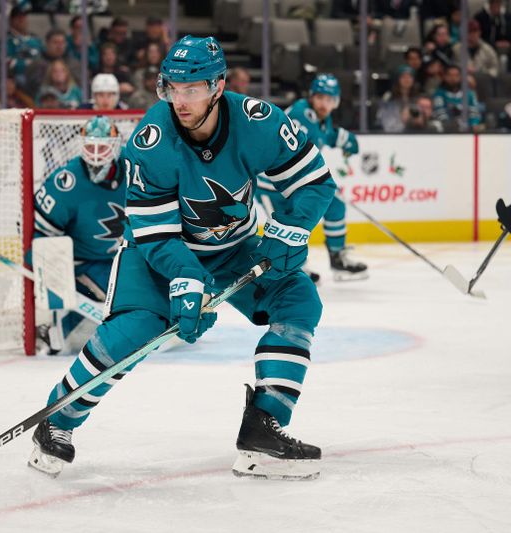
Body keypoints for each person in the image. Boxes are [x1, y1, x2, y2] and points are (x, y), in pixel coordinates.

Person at [28, 35, 333, 481]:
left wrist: (291, 228)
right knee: (134, 332)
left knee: (300, 304)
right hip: (157, 251)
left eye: (191, 89)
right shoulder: (152, 140)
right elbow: (155, 234)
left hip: (235, 247)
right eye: (172, 88)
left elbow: (314, 181)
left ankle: (263, 431)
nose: (180, 100)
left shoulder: (259, 122)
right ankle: (57, 420)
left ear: (218, 85)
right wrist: (188, 278)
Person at [258, 74, 367, 281]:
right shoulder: (302, 115)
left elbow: (325, 134)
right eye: (320, 98)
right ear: (312, 97)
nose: (324, 104)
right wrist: (340, 139)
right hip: (271, 182)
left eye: (329, 100)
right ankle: (288, 269)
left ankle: (337, 259)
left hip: (294, 180)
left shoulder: (321, 118)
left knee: (334, 204)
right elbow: (312, 143)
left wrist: (342, 137)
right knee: (284, 225)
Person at [32, 115, 126, 355]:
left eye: (103, 146)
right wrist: (49, 268)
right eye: (90, 146)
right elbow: (38, 231)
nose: (96, 154)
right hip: (83, 262)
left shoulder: (134, 167)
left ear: (115, 146)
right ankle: (55, 331)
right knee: (124, 295)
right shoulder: (67, 182)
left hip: (122, 257)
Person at [432, 65, 482, 131]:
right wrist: (449, 125)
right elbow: (439, 111)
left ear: (460, 77)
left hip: (467, 128)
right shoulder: (439, 94)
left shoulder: (469, 94)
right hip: (447, 129)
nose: (453, 78)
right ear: (444, 77)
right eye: (450, 75)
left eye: (456, 75)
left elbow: (474, 110)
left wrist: (473, 123)